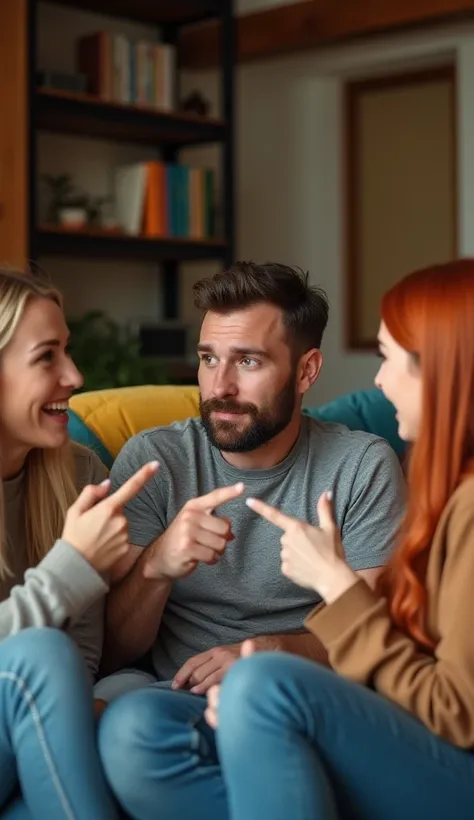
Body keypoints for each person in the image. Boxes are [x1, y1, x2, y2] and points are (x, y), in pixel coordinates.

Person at [97, 261, 406, 819]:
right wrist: (157, 566)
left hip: (305, 698)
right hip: (179, 699)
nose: (221, 386)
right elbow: (112, 649)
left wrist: (272, 655)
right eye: (209, 358)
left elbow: (379, 639)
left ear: (307, 370)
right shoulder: (154, 460)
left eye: (249, 361)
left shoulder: (362, 465)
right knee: (127, 729)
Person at [203, 258, 474, 820]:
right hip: (424, 741)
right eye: (208, 359)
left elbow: (457, 714)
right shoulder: (448, 489)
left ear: (445, 372)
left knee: (262, 685)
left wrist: (334, 582)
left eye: (388, 359)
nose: (377, 381)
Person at [0, 268, 158, 819]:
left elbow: (86, 658)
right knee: (43, 655)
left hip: (32, 728)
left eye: (67, 351)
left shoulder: (80, 472)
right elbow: (41, 663)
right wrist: (74, 566)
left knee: (139, 693)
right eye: (47, 357)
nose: (75, 374)